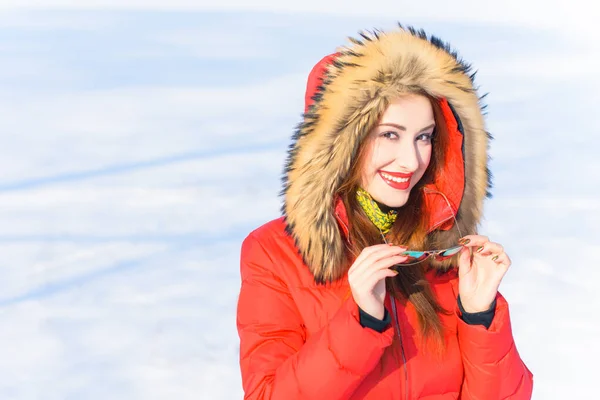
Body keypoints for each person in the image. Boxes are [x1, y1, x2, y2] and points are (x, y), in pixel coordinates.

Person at [236, 24, 533, 399]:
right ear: (341, 143)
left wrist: (479, 315)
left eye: (424, 136)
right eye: (389, 134)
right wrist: (362, 321)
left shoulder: (446, 250)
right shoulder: (274, 252)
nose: (411, 160)